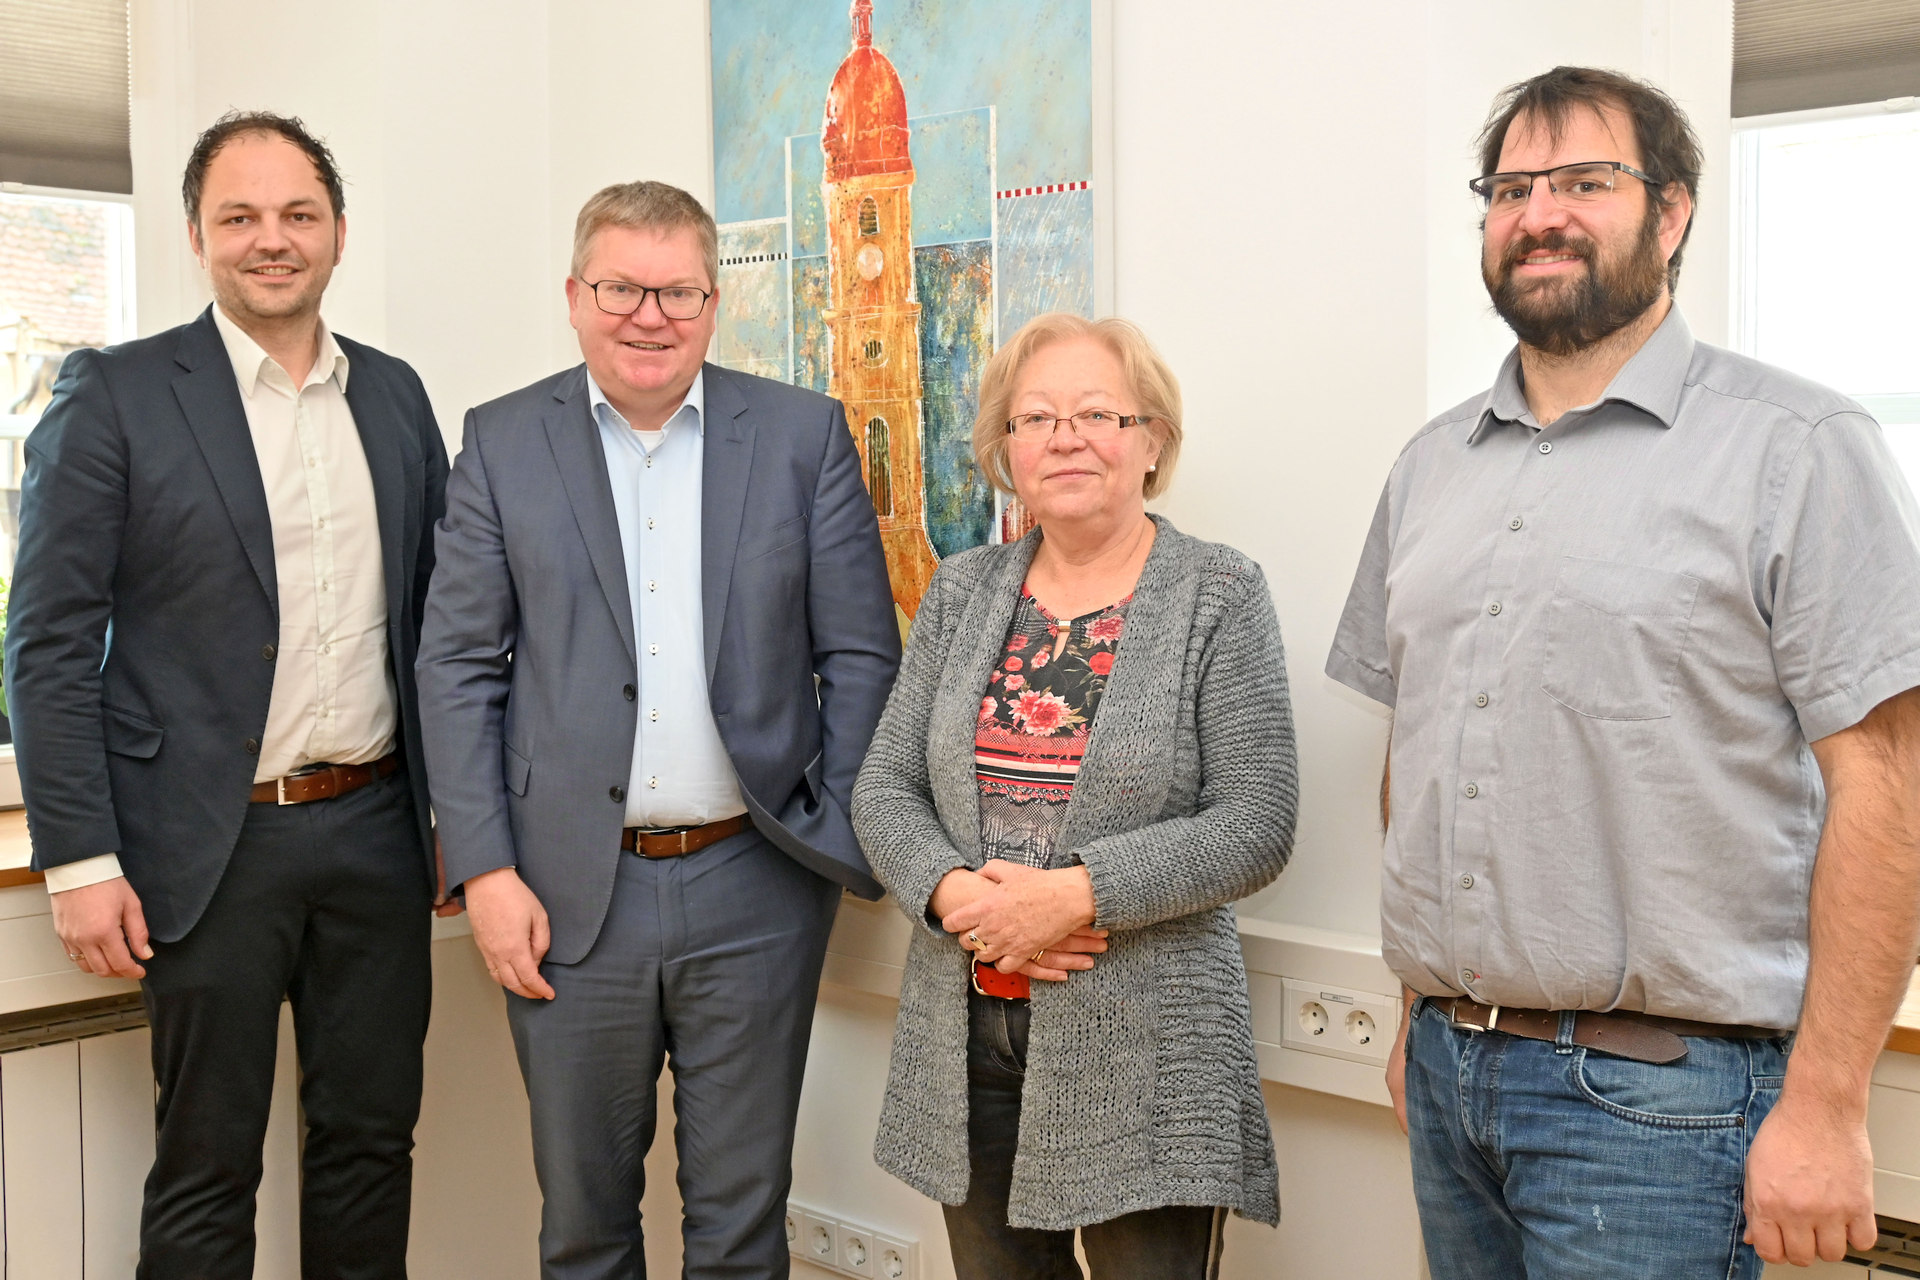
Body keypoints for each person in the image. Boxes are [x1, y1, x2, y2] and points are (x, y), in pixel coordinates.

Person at [1326, 66, 1920, 1278]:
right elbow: (1427, 755)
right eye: (1511, 187)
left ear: (1673, 212)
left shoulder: (1798, 449)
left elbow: (1891, 785)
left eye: (1586, 180)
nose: (1540, 212)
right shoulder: (1430, 465)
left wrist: (1827, 1103)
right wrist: (1417, 1016)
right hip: (1449, 1073)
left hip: (1662, 1099)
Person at [414, 179, 900, 1280]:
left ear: (712, 301)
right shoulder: (500, 442)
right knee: (585, 1228)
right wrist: (486, 869)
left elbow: (863, 652)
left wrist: (830, 831)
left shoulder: (798, 435)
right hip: (563, 894)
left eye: (677, 289)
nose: (650, 314)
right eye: (624, 287)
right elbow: (453, 665)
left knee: (741, 1224)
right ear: (576, 297)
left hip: (756, 884)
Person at [4, 111, 450, 1278]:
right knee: (205, 1166)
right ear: (196, 232)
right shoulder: (116, 393)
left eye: (298, 214)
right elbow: (47, 641)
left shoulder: (396, 399)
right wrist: (81, 857)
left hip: (377, 832)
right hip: (205, 848)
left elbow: (444, 634)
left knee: (369, 1147)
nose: (272, 240)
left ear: (338, 234)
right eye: (241, 216)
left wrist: (462, 819)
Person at [853, 312, 1297, 1280]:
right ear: (1006, 449)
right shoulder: (962, 591)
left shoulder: (1219, 593)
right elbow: (884, 783)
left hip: (1151, 1047)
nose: (1065, 436)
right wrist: (958, 896)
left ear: (1152, 440)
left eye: (1098, 412)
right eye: (1036, 416)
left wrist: (1073, 895)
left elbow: (1258, 821)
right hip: (966, 1030)